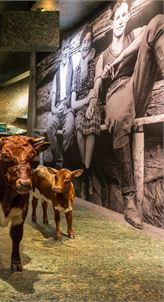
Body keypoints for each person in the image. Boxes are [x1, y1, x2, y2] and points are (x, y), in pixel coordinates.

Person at [86, 0, 163, 228]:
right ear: (111, 22)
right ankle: (129, 199)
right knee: (119, 119)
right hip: (116, 92)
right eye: (117, 17)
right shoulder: (102, 57)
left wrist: (120, 59)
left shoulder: (134, 34)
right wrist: (92, 100)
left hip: (137, 83)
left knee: (158, 21)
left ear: (127, 18)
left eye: (123, 17)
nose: (120, 21)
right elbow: (97, 85)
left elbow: (144, 37)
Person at [71, 25, 101, 199]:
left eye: (89, 41)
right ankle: (86, 168)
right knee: (79, 129)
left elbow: (96, 88)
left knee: (92, 123)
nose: (86, 44)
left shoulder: (95, 61)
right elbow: (74, 104)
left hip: (94, 102)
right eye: (84, 41)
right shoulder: (76, 69)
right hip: (82, 103)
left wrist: (92, 99)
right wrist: (86, 98)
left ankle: (86, 172)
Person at [47, 38, 76, 168]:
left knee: (69, 130)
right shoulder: (56, 75)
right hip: (57, 110)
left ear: (69, 51)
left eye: (67, 49)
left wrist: (65, 106)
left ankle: (66, 161)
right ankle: (58, 160)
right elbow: (52, 104)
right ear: (60, 53)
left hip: (68, 109)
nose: (65, 52)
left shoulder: (73, 70)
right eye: (63, 50)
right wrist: (55, 109)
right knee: (49, 128)